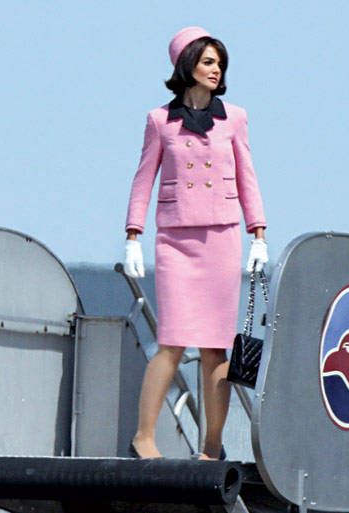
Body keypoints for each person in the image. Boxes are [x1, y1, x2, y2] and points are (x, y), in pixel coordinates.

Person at [124, 26, 269, 460]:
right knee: (171, 339)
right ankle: (143, 438)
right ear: (186, 65)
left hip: (222, 239)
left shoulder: (235, 118)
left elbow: (247, 176)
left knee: (214, 346)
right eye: (207, 61)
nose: (215, 69)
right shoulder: (158, 121)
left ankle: (212, 446)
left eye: (219, 63)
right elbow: (142, 179)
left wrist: (258, 232)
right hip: (174, 240)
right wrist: (133, 235)